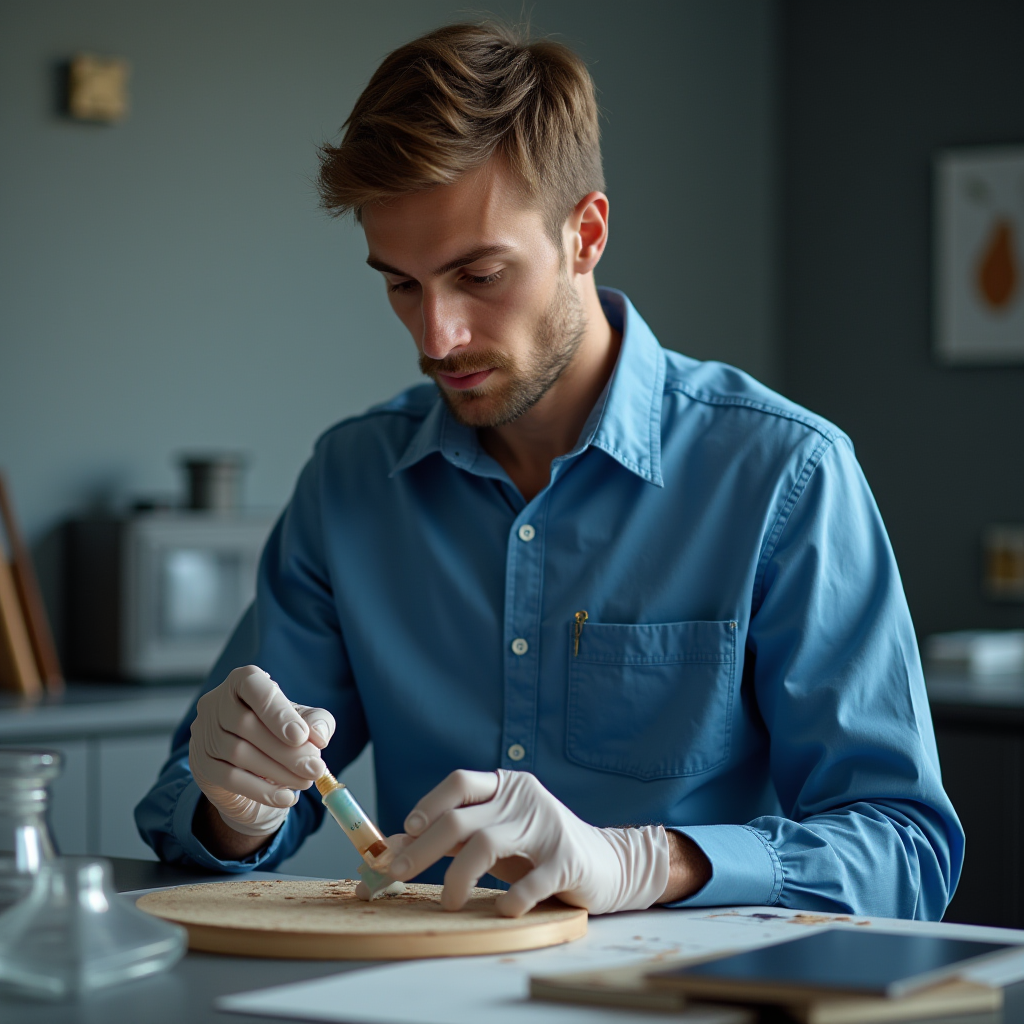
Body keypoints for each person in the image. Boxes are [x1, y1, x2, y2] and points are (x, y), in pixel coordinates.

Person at [136, 23, 963, 920]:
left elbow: (905, 849)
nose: (436, 336)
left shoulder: (785, 474)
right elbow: (188, 812)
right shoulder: (349, 480)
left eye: (479, 274)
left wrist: (645, 863)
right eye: (401, 284)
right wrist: (235, 813)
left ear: (586, 233)